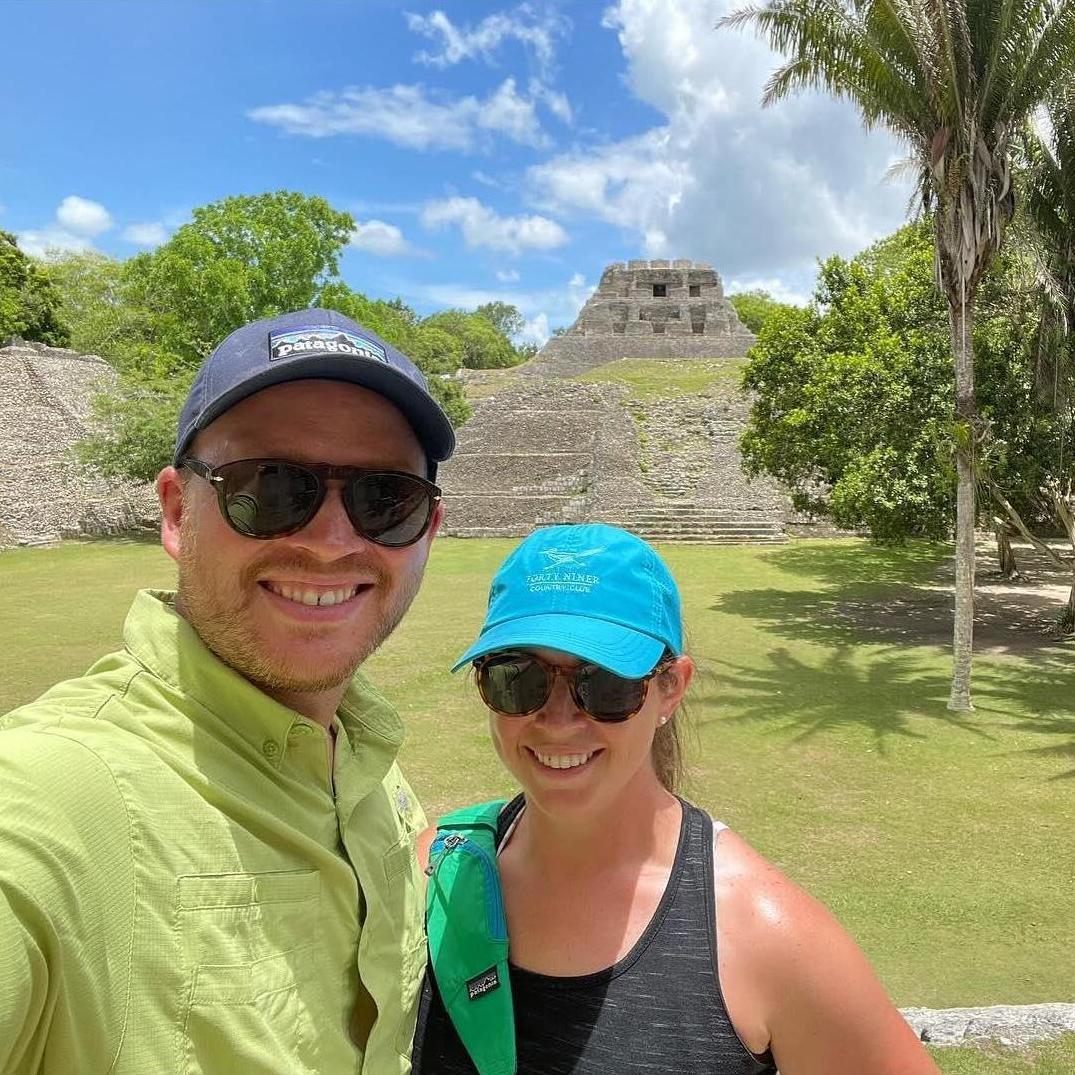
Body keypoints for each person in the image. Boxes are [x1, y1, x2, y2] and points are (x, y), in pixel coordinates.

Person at [0, 309, 454, 1074]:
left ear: (428, 529)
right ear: (179, 512)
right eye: (272, 487)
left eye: (385, 498)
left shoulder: (366, 766)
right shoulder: (49, 799)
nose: (332, 540)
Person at [412, 523, 941, 1075]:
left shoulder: (766, 937)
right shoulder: (436, 877)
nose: (559, 720)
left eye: (605, 683)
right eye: (515, 678)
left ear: (671, 688)